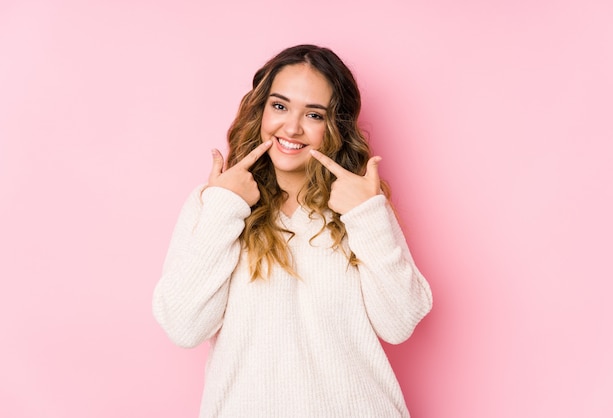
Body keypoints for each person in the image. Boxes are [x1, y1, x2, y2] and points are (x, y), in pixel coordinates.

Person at [152, 44, 433, 417]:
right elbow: (184, 327)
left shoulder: (360, 207)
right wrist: (224, 208)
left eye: (314, 114)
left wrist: (367, 214)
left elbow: (399, 323)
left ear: (337, 126)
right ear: (261, 110)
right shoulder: (216, 203)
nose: (292, 127)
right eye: (280, 106)